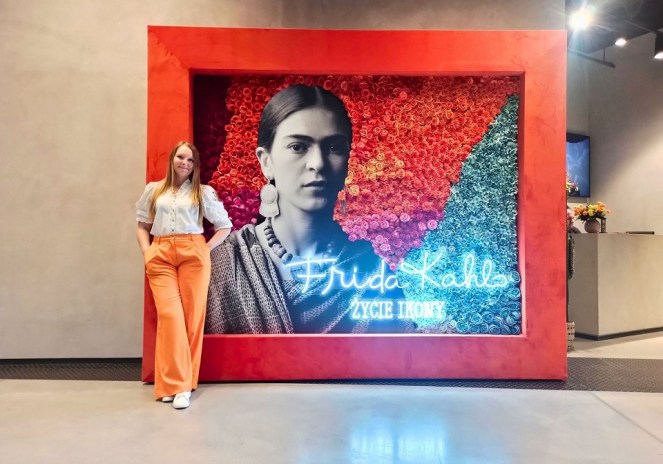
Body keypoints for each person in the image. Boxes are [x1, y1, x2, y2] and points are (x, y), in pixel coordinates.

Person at [205, 85, 412, 334]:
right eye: (298, 147)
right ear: (266, 161)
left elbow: (402, 353)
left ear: (348, 161)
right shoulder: (224, 264)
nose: (317, 164)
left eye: (334, 148)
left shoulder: (370, 271)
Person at [136, 141, 232, 409]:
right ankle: (177, 384)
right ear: (172, 159)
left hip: (193, 252)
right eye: (181, 157)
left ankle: (180, 386)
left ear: (195, 165)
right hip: (161, 253)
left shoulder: (202, 192)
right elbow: (142, 225)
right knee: (170, 317)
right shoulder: (154, 190)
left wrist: (205, 248)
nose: (185, 163)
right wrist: (147, 252)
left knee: (191, 319)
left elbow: (224, 226)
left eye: (190, 160)